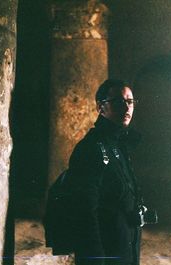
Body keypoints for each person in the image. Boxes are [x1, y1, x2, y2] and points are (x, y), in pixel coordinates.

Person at [67, 79, 150, 265]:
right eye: (119, 102)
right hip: (105, 253)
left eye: (130, 102)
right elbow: (84, 212)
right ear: (100, 107)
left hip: (125, 248)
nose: (127, 107)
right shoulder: (91, 148)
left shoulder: (119, 144)